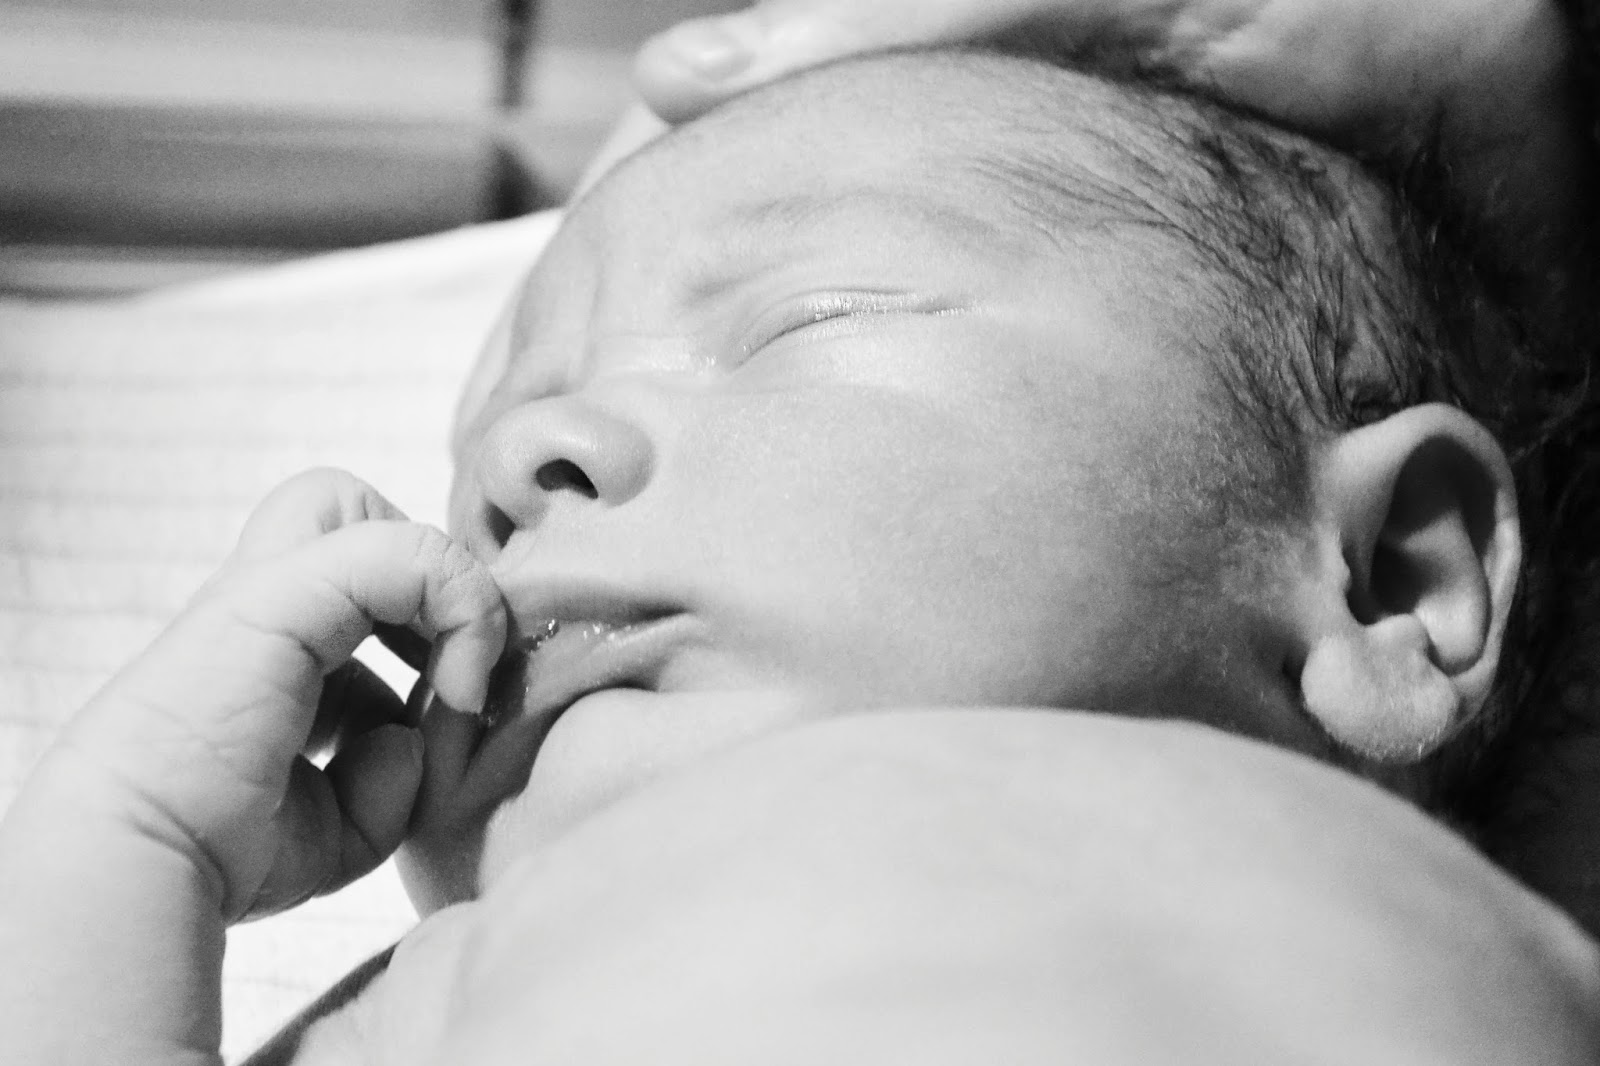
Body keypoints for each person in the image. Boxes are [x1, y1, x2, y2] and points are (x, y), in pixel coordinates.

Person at [2, 44, 1597, 1066]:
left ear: (1392, 584)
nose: (511, 467)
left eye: (802, 319)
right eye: (480, 446)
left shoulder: (1310, 890)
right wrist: (134, 846)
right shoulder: (401, 1003)